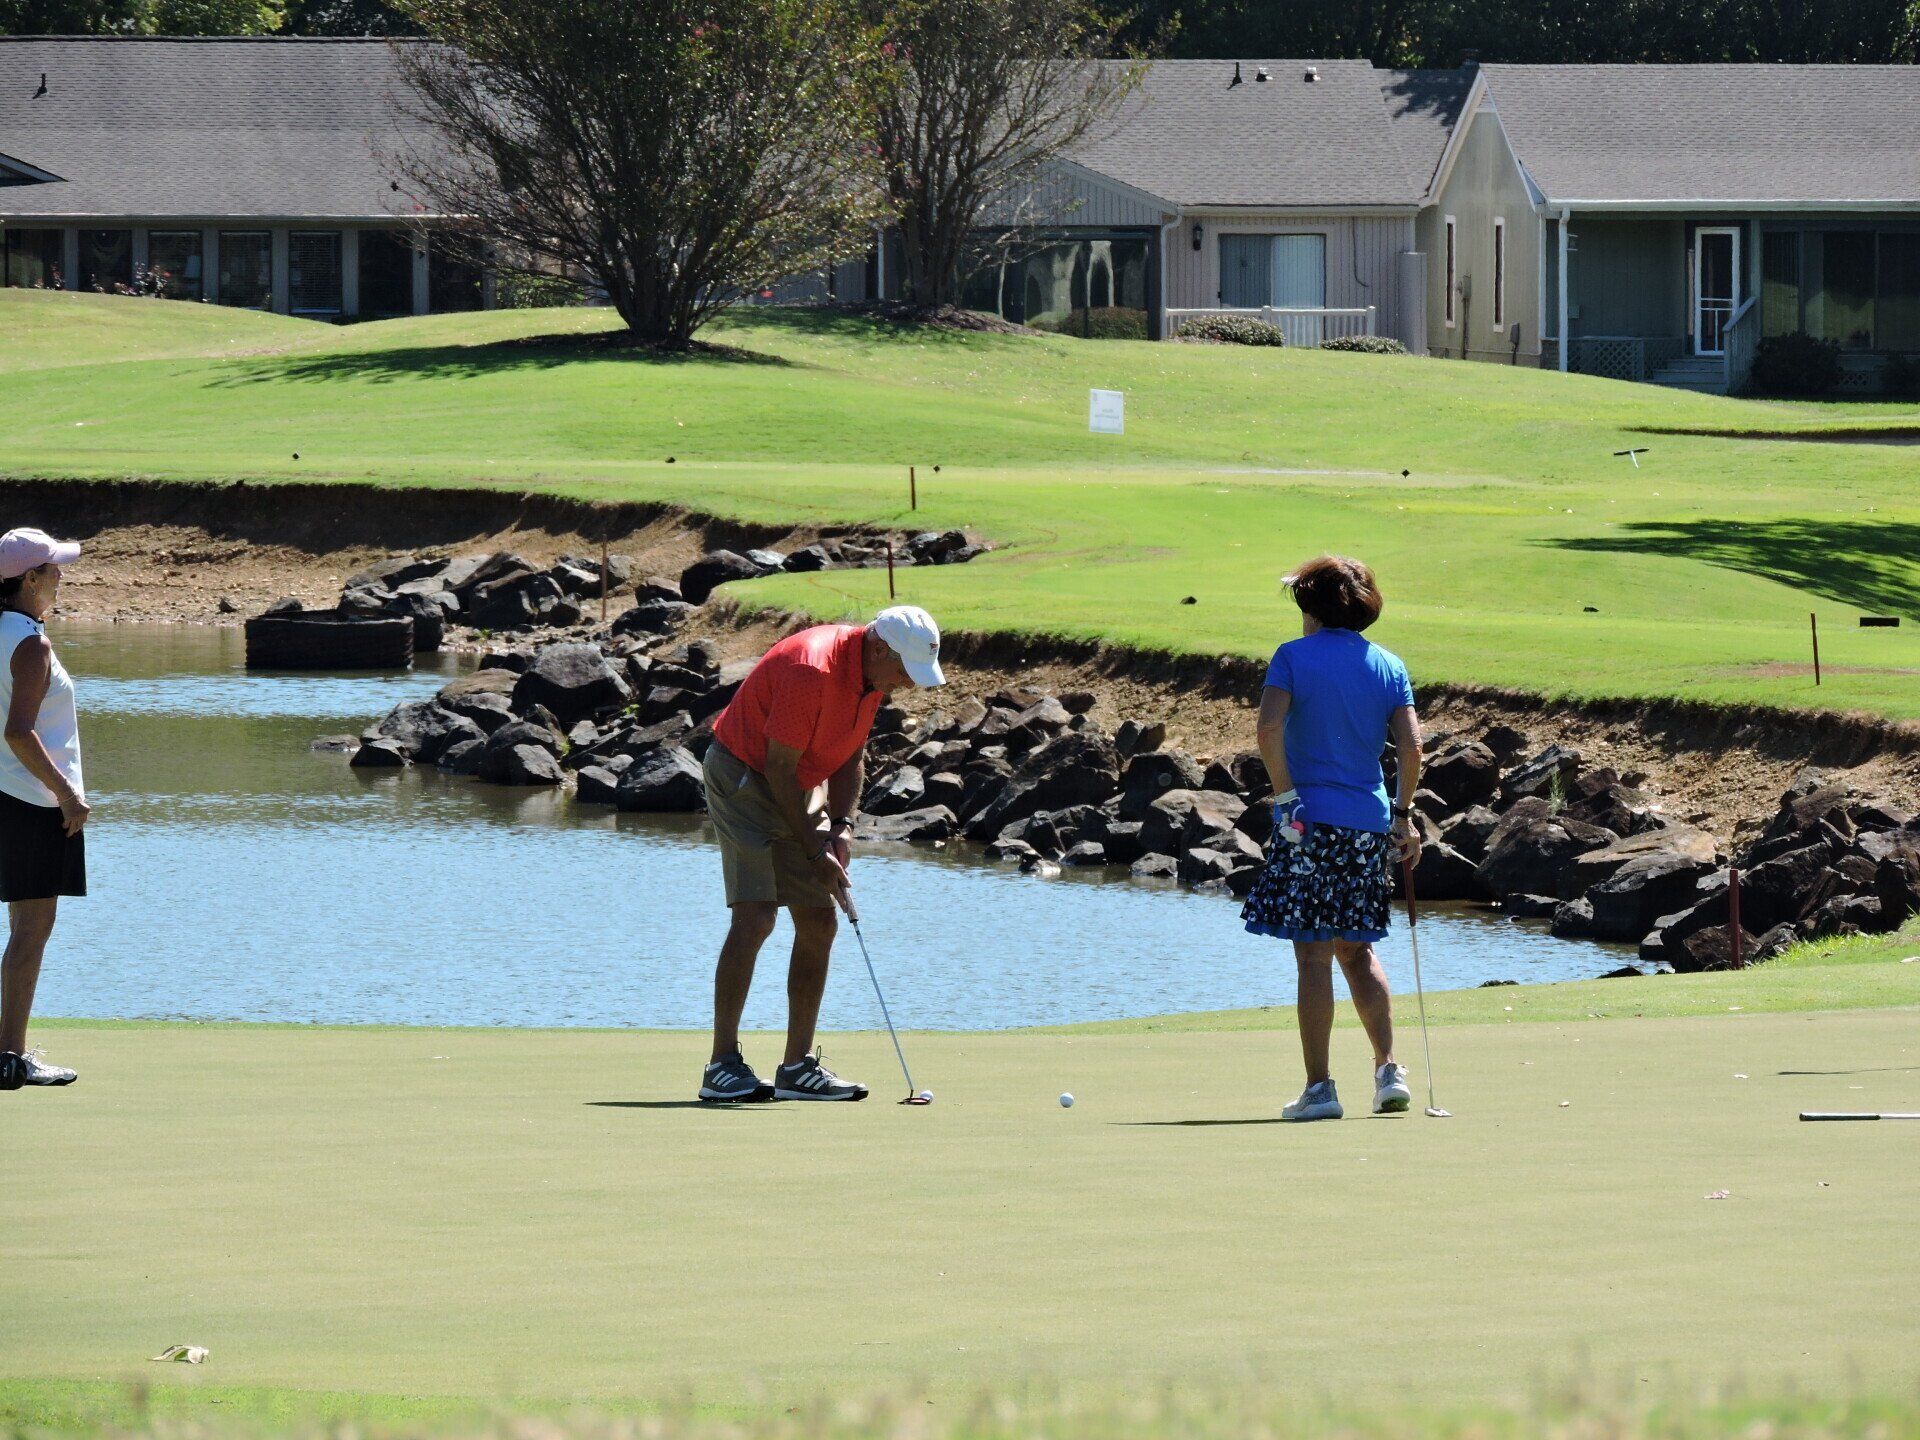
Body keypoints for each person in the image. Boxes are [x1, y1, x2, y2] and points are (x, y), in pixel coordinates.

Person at [698, 605, 946, 1103]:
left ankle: (796, 1068)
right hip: (744, 775)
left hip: (797, 781)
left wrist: (841, 828)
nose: (906, 684)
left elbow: (849, 755)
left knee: (818, 921)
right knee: (756, 916)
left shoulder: (870, 678)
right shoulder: (811, 669)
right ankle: (721, 1066)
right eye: (904, 670)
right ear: (880, 649)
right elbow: (778, 768)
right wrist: (815, 853)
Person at [1241, 555, 1421, 1122]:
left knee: (1314, 955)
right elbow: (1412, 748)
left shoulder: (1292, 657)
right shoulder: (1388, 664)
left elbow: (1268, 728)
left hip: (1307, 822)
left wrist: (1285, 796)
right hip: (1368, 821)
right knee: (1357, 949)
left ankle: (1320, 1090)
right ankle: (1388, 1072)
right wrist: (1403, 814)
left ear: (1310, 605)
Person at [1, 527, 88, 1093]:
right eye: (53, 570)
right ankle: (10, 1057)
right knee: (32, 929)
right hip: (33, 801)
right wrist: (67, 794)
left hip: (8, 796)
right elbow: (19, 732)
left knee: (21, 929)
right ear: (30, 579)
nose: (60, 578)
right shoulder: (32, 644)